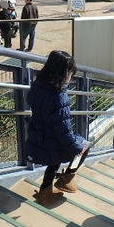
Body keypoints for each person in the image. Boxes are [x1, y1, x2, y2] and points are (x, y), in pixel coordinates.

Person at [25, 51, 88, 206]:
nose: (70, 79)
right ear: (63, 74)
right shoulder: (59, 98)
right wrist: (77, 148)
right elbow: (65, 133)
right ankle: (65, 180)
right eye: (70, 75)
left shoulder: (37, 85)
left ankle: (45, 193)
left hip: (36, 138)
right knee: (85, 146)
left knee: (55, 157)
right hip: (50, 143)